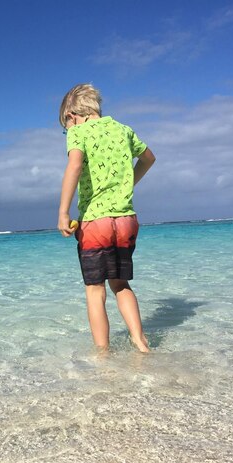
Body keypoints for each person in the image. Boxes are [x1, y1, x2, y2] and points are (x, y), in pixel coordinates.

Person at [57, 84, 156, 353]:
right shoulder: (123, 129)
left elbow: (75, 165)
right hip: (126, 220)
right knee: (121, 284)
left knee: (95, 290)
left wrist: (63, 212)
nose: (67, 131)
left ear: (72, 114)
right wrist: (129, 184)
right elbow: (149, 158)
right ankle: (141, 343)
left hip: (95, 222)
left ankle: (103, 355)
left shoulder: (79, 132)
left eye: (65, 126)